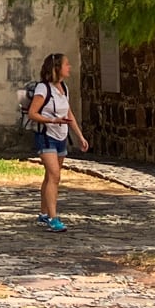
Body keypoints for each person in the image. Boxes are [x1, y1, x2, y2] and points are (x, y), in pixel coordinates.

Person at [25, 51, 89, 232]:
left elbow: (68, 114)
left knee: (50, 176)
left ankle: (44, 213)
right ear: (56, 68)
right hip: (46, 136)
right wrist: (53, 121)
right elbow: (33, 113)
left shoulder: (64, 88)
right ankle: (54, 218)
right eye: (66, 64)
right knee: (55, 175)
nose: (69, 67)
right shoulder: (43, 89)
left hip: (61, 136)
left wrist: (79, 136)